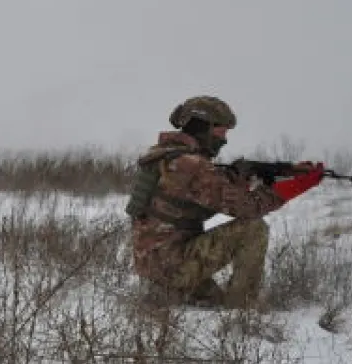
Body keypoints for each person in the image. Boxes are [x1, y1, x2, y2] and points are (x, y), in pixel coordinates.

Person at [127, 95, 324, 308]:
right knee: (253, 229)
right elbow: (248, 208)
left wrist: (277, 171)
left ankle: (171, 292)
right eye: (221, 131)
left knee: (212, 302)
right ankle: (242, 309)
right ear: (201, 126)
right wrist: (293, 186)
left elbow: (197, 196)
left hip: (155, 263)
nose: (224, 139)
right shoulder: (191, 165)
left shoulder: (165, 156)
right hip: (172, 264)